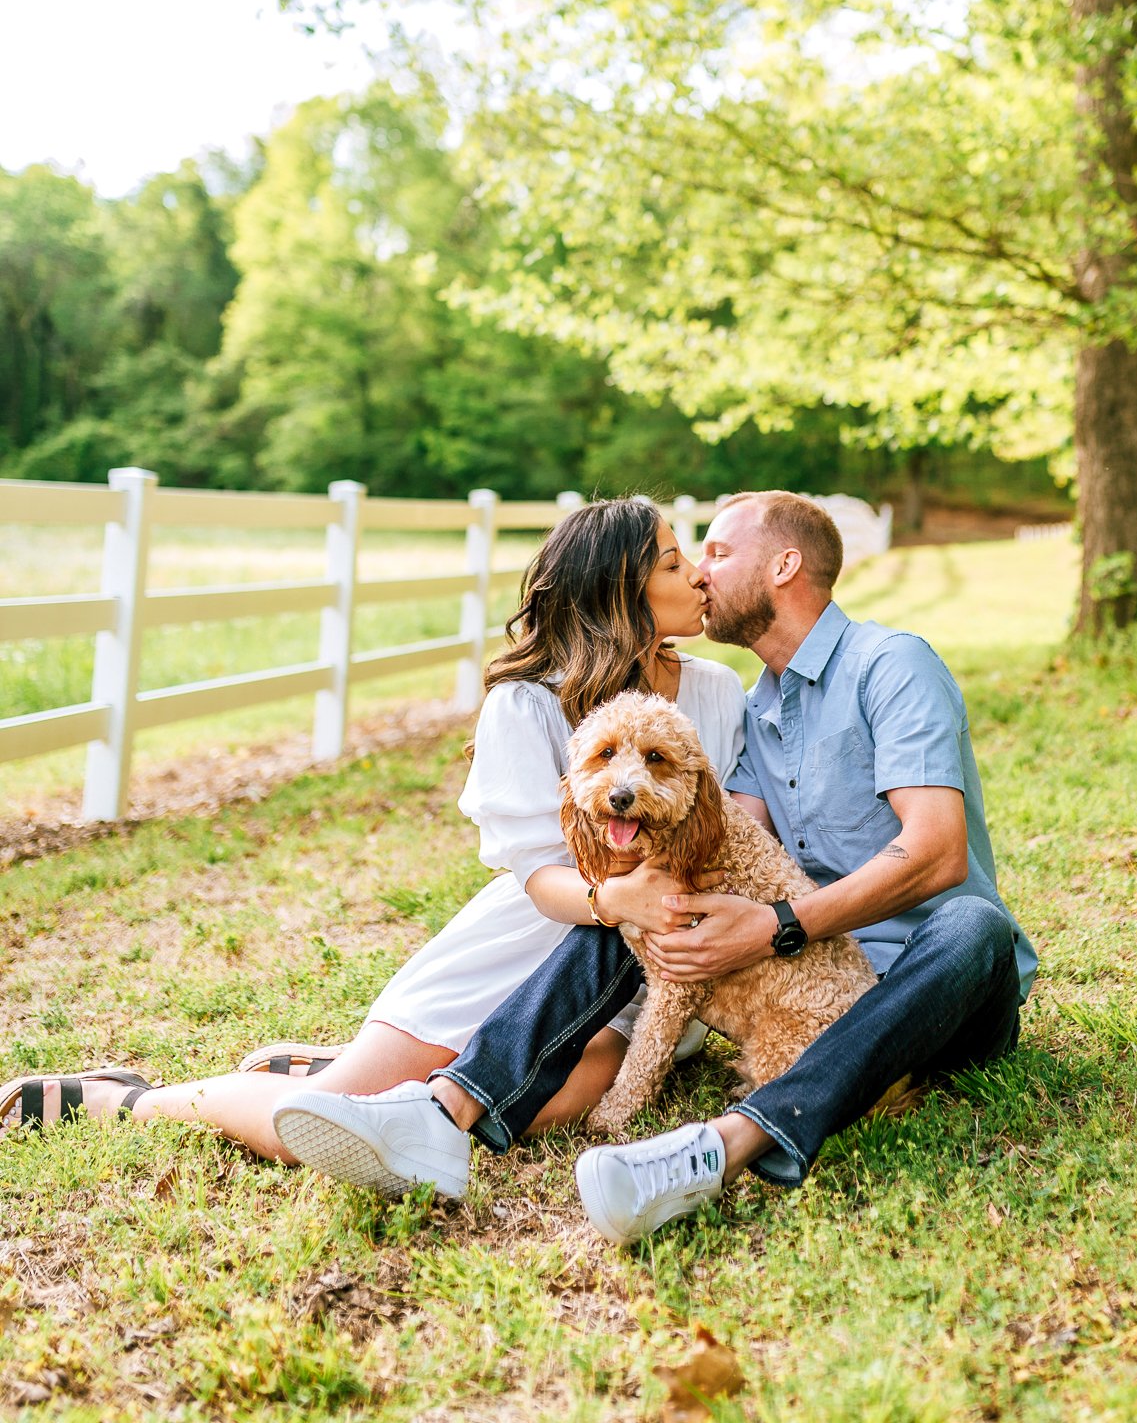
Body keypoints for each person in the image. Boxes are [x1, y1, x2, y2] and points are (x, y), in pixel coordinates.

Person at [270, 491, 1037, 1243]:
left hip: (934, 989)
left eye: (716, 552)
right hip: (794, 977)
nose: (700, 572)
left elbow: (936, 853)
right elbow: (724, 850)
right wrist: (651, 889)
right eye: (686, 558)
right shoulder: (750, 706)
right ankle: (444, 1113)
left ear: (784, 565)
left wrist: (775, 927)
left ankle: (723, 1145)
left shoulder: (889, 664)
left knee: (973, 925)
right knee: (642, 895)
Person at [1, 499, 745, 1153]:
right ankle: (129, 1101)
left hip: (644, 964)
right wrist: (610, 902)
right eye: (676, 564)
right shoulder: (526, 704)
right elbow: (531, 870)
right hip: (539, 934)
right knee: (327, 1119)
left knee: (562, 1101)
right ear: (620, 591)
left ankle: (348, 1062)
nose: (699, 577)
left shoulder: (717, 691)